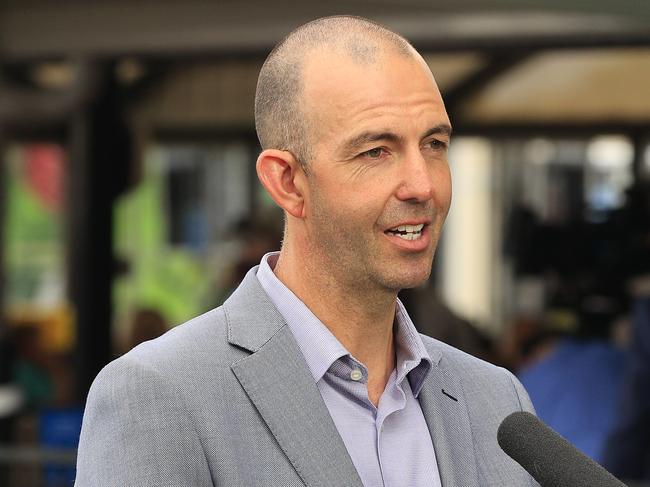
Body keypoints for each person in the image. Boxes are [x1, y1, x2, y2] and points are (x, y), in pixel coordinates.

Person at [75, 16, 536, 486]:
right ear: (288, 182)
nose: (423, 185)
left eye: (435, 144)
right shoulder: (159, 394)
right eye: (376, 151)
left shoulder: (499, 402)